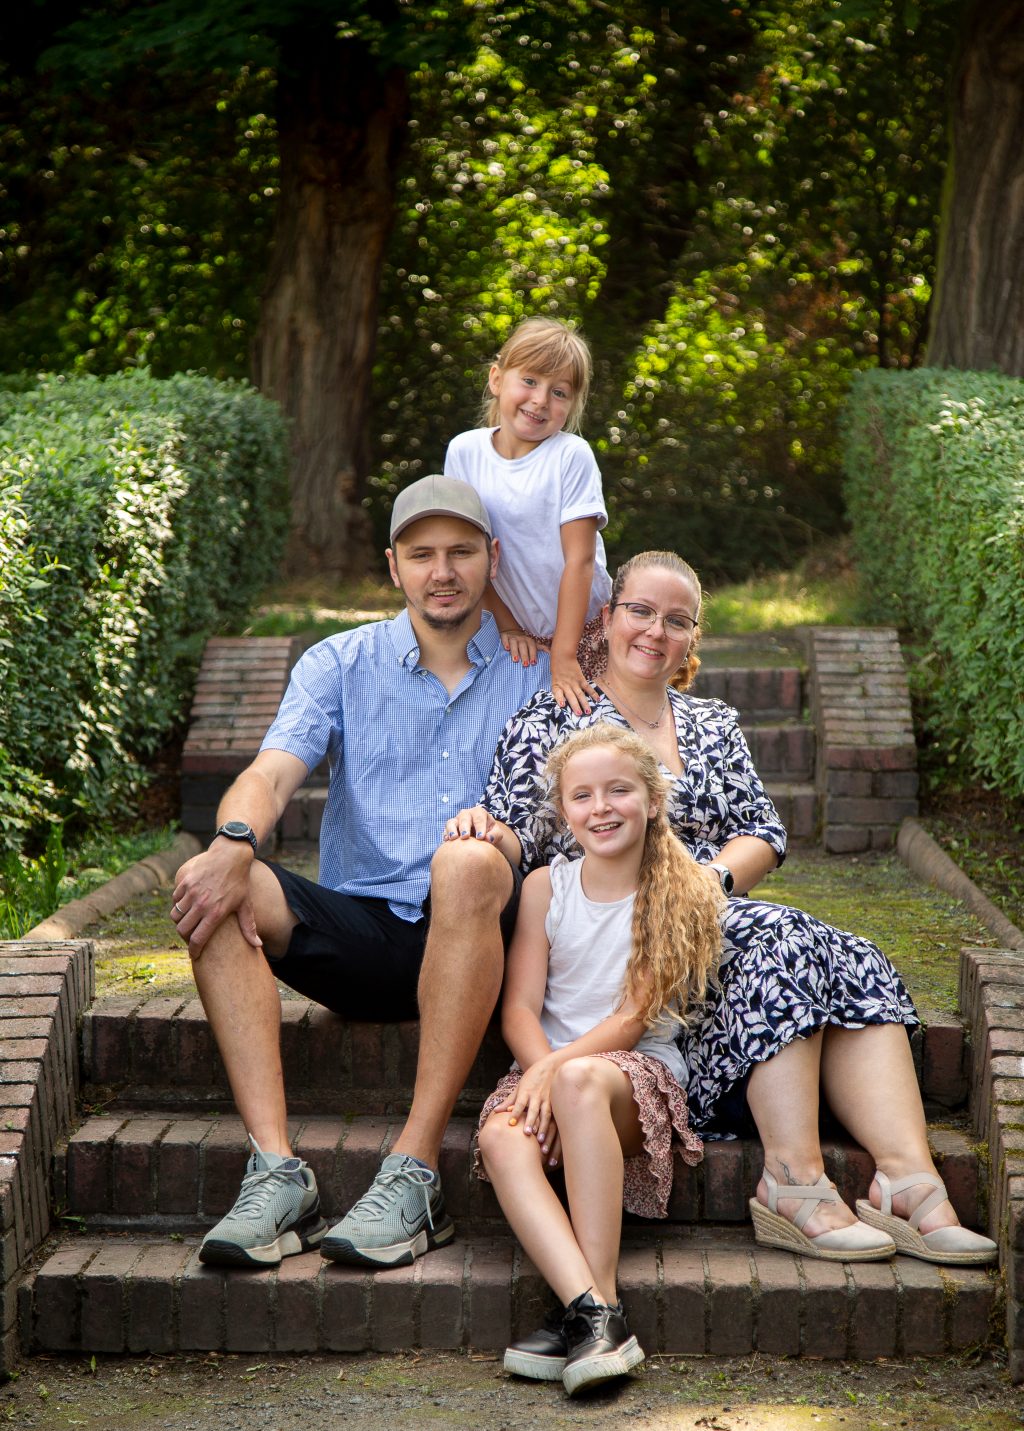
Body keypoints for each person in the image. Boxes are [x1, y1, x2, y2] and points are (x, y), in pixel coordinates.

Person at [446, 549, 998, 1267]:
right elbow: (519, 832)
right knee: (780, 936)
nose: (656, 631)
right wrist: (481, 830)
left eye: (677, 620)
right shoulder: (554, 716)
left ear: (691, 639)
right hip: (622, 931)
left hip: (708, 906)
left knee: (848, 954)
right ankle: (794, 1181)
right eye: (640, 611)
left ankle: (908, 1181)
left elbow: (763, 831)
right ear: (607, 618)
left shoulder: (712, 723)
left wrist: (706, 885)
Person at [169, 475, 551, 1269]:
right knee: (220, 882)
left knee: (467, 862)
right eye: (422, 554)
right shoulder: (339, 662)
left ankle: (414, 1172)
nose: (442, 571)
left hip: (487, 934)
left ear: (492, 558)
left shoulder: (539, 672)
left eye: (460, 552)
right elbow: (272, 772)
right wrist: (232, 843)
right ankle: (278, 1172)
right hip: (367, 940)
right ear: (393, 564)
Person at [478, 724, 724, 1394]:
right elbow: (519, 1009)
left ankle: (598, 1300)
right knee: (500, 1139)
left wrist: (554, 1074)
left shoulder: (679, 889)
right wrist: (541, 1073)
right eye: (581, 795)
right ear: (564, 811)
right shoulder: (544, 887)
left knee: (583, 1081)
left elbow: (633, 1019)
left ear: (652, 800)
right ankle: (592, 1313)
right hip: (545, 1067)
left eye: (619, 790)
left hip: (629, 1072)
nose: (601, 807)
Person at [444, 316, 611, 716]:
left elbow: (580, 560)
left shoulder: (571, 456)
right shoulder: (465, 452)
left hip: (586, 634)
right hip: (512, 632)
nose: (540, 400)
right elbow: (468, 554)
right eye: (530, 381)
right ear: (497, 379)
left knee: (592, 734)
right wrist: (507, 625)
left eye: (559, 392)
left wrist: (565, 656)